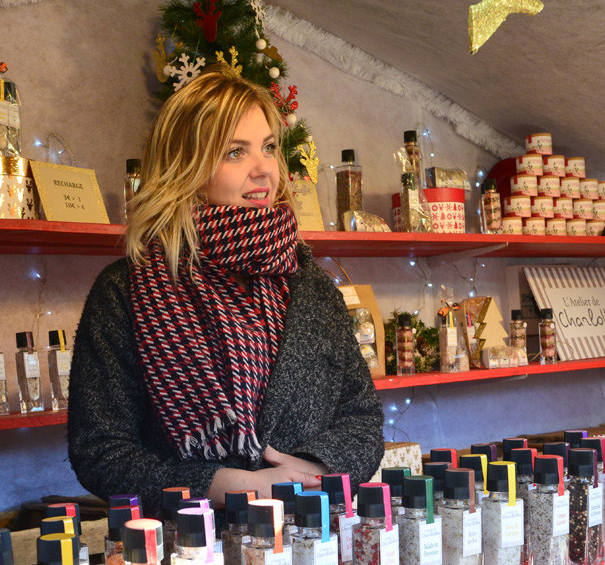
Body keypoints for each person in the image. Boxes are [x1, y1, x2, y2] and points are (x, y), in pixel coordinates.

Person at [68, 66, 384, 514]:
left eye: (269, 148)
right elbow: (100, 450)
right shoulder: (126, 290)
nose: (264, 170)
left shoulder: (308, 283)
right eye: (236, 153)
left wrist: (312, 470)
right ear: (187, 167)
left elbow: (363, 418)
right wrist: (221, 484)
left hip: (311, 540)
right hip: (190, 556)